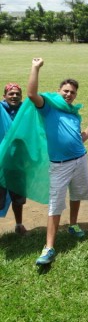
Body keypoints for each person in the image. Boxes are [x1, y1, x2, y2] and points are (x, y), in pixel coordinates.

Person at [28, 58, 88, 265]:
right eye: (66, 91)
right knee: (55, 204)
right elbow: (32, 94)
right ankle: (48, 247)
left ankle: (74, 224)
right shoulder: (48, 108)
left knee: (77, 194)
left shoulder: (73, 113)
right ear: (59, 91)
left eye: (72, 92)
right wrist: (35, 67)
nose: (69, 94)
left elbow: (79, 138)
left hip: (80, 159)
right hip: (59, 165)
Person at [0, 83, 27, 234]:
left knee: (18, 197)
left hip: (18, 163)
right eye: (11, 94)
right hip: (1, 163)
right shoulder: (0, 110)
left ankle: (18, 224)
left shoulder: (25, 111)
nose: (14, 96)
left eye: (17, 94)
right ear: (4, 96)